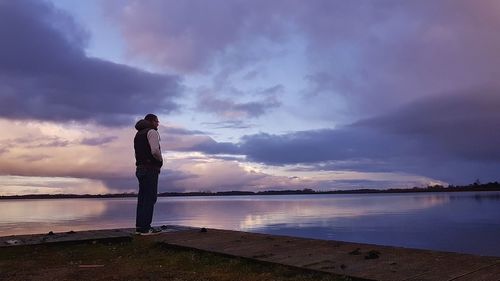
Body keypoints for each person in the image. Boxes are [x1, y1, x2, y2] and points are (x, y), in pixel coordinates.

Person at [134, 113, 163, 235]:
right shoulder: (152, 132)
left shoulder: (138, 134)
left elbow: (136, 153)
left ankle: (140, 227)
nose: (158, 124)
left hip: (140, 168)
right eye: (157, 121)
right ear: (151, 121)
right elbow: (155, 150)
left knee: (142, 198)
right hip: (150, 169)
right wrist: (160, 160)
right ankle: (146, 228)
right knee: (150, 197)